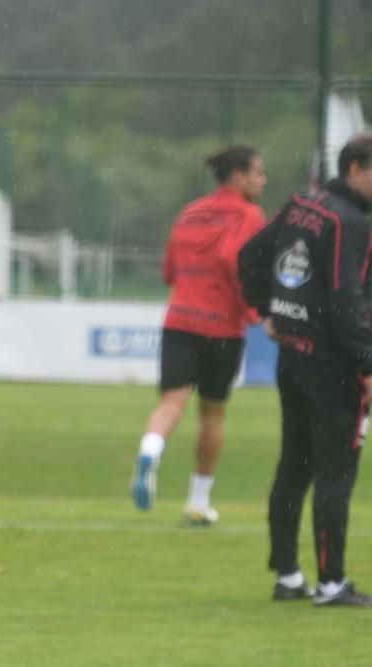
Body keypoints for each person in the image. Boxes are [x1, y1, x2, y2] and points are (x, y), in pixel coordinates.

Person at [238, 134, 372, 606]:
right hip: (334, 365)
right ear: (355, 169)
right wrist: (368, 363)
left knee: (294, 465)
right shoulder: (349, 221)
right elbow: (345, 299)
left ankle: (288, 576)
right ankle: (331, 583)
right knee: (336, 474)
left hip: (293, 356)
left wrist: (265, 310)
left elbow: (249, 254)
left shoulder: (303, 205)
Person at [130, 145, 267, 525]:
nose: (263, 180)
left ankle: (150, 450)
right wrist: (253, 310)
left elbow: (170, 271)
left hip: (179, 321)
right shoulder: (249, 214)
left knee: (170, 402)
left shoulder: (189, 212)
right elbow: (234, 261)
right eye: (258, 173)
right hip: (221, 326)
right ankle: (198, 502)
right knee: (212, 413)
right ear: (238, 176)